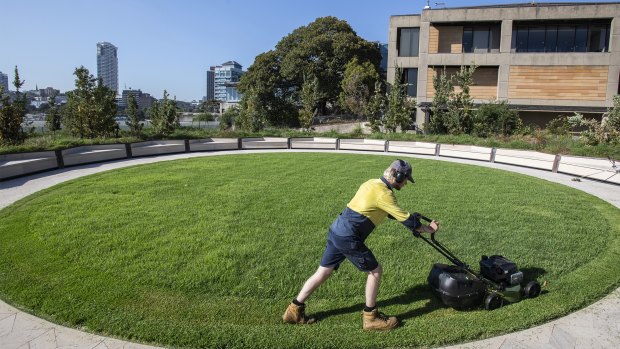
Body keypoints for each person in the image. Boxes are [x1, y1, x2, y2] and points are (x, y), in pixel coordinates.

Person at [282, 159, 439, 330]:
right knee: (375, 271)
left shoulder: (371, 183)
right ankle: (370, 317)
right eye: (406, 179)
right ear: (398, 176)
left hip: (337, 230)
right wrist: (428, 228)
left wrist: (406, 217)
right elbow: (409, 222)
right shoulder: (385, 194)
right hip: (348, 237)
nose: (406, 183)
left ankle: (294, 310)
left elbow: (385, 210)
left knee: (323, 271)